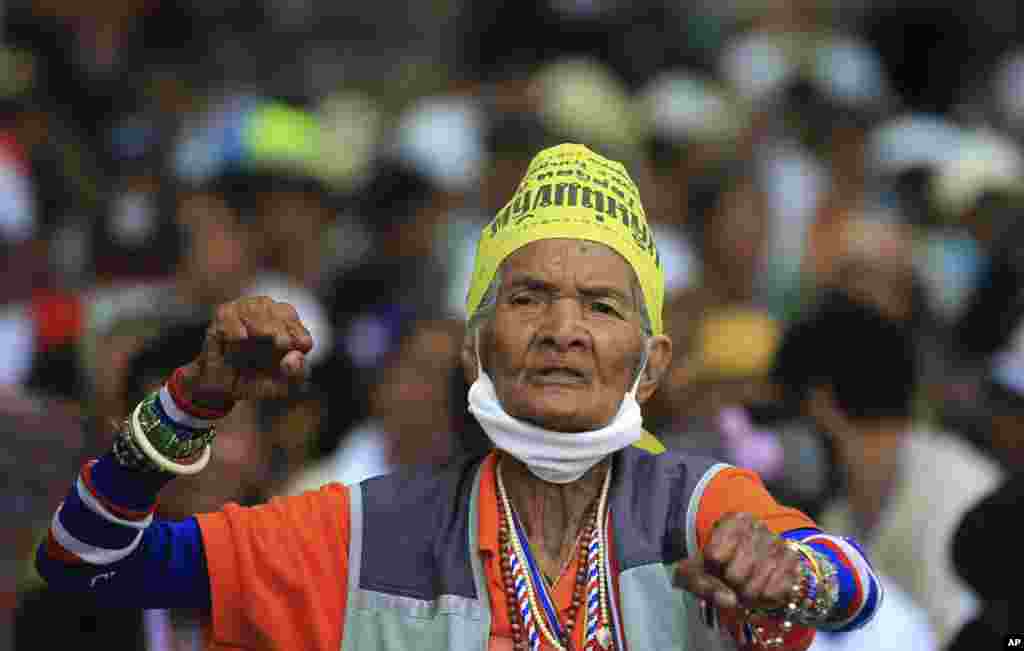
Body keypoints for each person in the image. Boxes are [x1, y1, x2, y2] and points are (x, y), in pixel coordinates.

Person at [35, 144, 881, 651]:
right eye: (527, 296)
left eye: (601, 304)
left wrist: (792, 574)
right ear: (475, 349)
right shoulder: (365, 532)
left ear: (650, 364)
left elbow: (855, 585)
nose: (563, 327)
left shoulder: (695, 506)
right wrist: (194, 401)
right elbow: (84, 563)